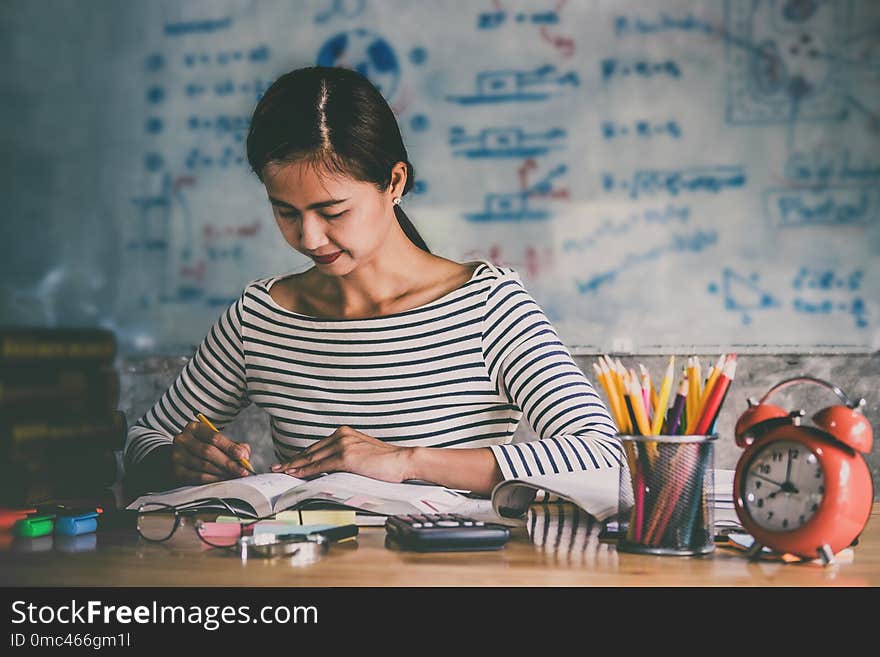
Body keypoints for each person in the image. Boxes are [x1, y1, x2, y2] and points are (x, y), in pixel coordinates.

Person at [123, 66, 620, 498]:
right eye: (285, 212)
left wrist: (406, 461)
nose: (310, 237)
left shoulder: (487, 307)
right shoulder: (260, 319)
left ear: (395, 183)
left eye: (332, 210)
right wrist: (178, 460)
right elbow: (144, 440)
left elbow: (603, 455)